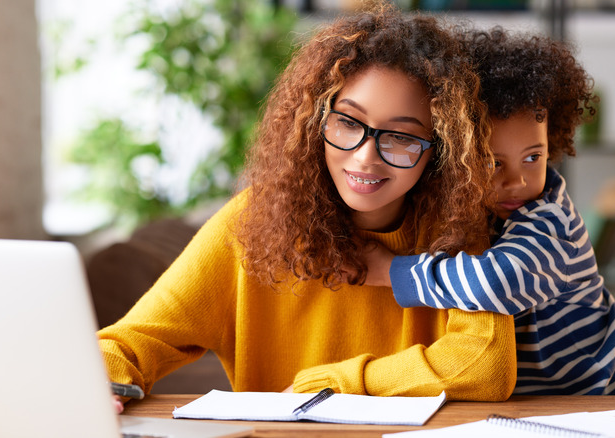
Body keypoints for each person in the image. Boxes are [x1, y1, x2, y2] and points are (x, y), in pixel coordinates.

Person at [98, 5, 517, 413]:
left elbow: (486, 366)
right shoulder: (252, 220)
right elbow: (128, 343)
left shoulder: (455, 228)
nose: (366, 157)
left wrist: (328, 385)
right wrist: (107, 381)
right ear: (316, 122)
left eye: (401, 137)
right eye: (348, 123)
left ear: (439, 150)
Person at [363, 28, 615, 395]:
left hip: (603, 399)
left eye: (533, 157)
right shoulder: (479, 214)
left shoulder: (551, 224)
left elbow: (496, 282)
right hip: (532, 403)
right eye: (490, 163)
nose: (516, 180)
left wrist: (392, 272)